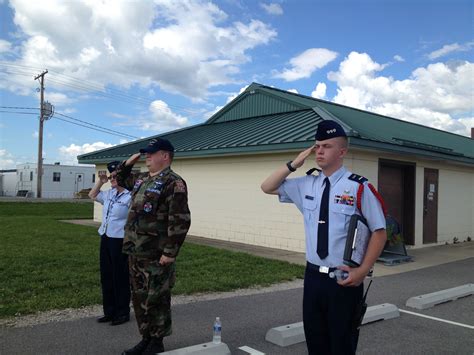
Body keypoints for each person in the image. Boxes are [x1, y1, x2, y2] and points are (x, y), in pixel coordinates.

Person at [261, 120, 387, 355]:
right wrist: (293, 164)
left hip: (344, 276)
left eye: (326, 146)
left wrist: (362, 271)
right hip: (313, 277)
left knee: (342, 345)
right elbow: (267, 187)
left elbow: (379, 232)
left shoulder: (358, 187)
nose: (319, 150)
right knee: (316, 343)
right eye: (317, 146)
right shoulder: (307, 184)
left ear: (342, 151)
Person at [115, 138, 191, 355]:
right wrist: (129, 162)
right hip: (136, 252)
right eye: (146, 153)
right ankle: (146, 339)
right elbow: (119, 177)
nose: (147, 156)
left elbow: (180, 220)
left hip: (157, 254)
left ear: (165, 156)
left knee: (156, 299)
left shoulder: (173, 183)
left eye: (151, 152)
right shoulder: (142, 180)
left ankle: (157, 343)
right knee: (139, 298)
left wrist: (170, 252)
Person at [88, 161, 132, 326]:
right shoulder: (109, 193)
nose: (111, 179)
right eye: (111, 176)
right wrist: (101, 181)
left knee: (119, 277)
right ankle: (109, 311)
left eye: (114, 176)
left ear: (122, 177)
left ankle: (122, 313)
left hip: (120, 240)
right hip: (106, 237)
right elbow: (92, 195)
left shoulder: (130, 196)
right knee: (106, 276)